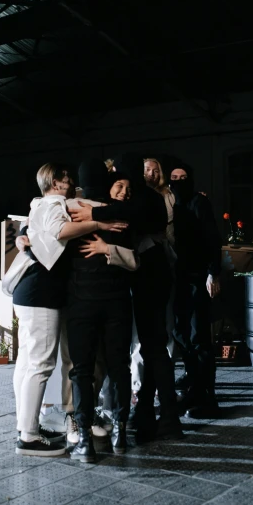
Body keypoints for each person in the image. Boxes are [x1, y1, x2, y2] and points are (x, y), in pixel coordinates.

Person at [11, 163, 128, 456]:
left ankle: (26, 426)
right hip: (41, 291)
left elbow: (83, 206)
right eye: (64, 178)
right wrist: (100, 224)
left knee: (27, 362)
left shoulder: (48, 202)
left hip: (32, 290)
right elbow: (59, 229)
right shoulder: (51, 203)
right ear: (52, 181)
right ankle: (28, 436)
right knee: (40, 364)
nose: (70, 181)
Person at [69, 153, 183, 442]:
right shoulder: (144, 197)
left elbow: (129, 213)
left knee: (154, 347)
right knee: (151, 346)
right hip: (151, 277)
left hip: (152, 277)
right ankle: (146, 410)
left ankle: (168, 416)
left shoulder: (144, 199)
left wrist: (94, 216)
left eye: (121, 175)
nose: (119, 183)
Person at [66, 159, 139, 462]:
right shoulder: (122, 215)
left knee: (82, 369)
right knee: (118, 364)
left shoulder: (70, 211)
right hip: (116, 298)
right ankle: (120, 432)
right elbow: (136, 257)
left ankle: (84, 440)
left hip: (81, 300)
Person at [168, 162, 223, 419]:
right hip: (178, 280)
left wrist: (213, 273)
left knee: (199, 337)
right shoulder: (171, 204)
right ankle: (194, 386)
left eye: (183, 177)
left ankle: (207, 396)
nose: (178, 181)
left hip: (197, 278)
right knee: (182, 335)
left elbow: (212, 238)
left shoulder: (199, 204)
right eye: (174, 177)